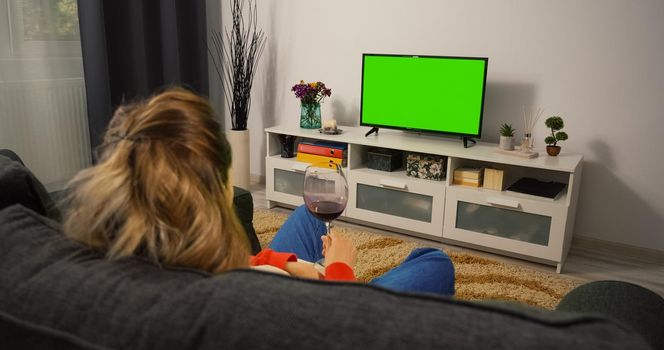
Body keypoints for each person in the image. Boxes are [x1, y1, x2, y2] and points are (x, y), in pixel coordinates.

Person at [63, 87, 455, 295]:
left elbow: (226, 266)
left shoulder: (143, 256)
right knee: (433, 260)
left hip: (277, 281)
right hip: (333, 306)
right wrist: (340, 270)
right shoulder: (228, 305)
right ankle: (373, 290)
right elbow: (341, 325)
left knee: (306, 214)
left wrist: (280, 261)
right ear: (214, 190)